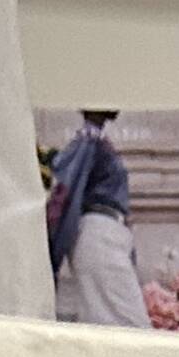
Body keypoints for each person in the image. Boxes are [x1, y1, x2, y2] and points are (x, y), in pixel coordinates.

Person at [46, 111, 149, 328]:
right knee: (127, 321)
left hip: (109, 233)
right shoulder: (87, 140)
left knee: (118, 319)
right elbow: (67, 187)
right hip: (99, 235)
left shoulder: (94, 140)